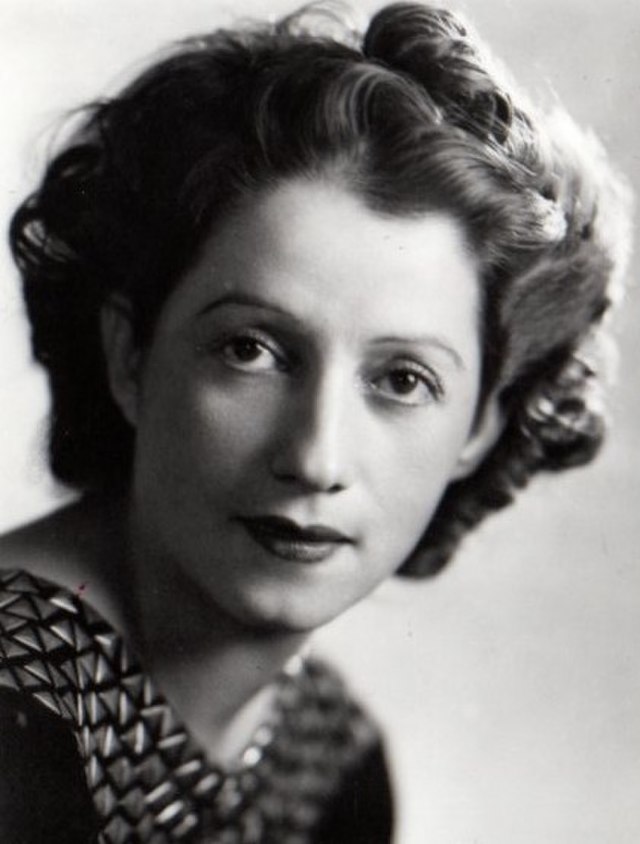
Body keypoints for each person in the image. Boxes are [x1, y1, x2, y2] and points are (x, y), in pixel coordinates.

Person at [0, 2, 632, 841]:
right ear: (130, 355)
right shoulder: (16, 708)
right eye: (251, 349)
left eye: (403, 379)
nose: (315, 456)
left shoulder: (327, 757)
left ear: (481, 425)